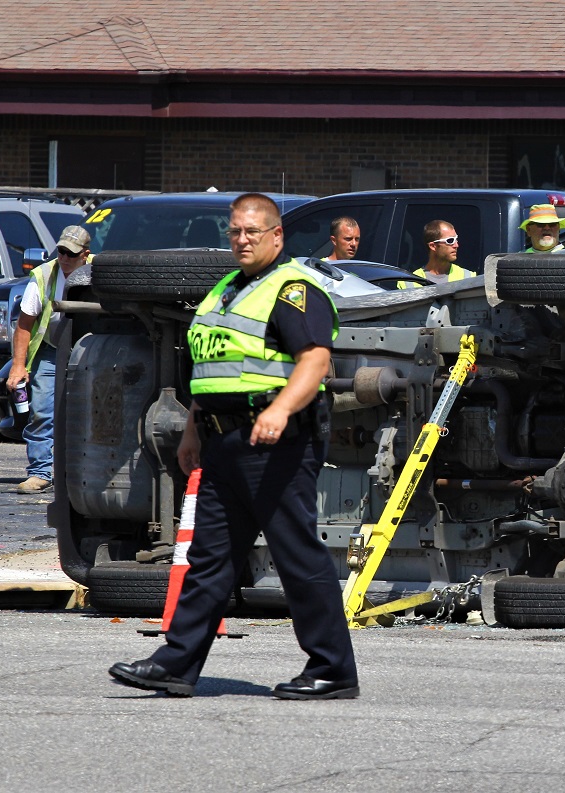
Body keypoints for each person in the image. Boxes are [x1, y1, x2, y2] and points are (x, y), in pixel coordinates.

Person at [110, 193, 358, 699]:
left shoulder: (292, 289)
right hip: (224, 442)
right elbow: (212, 370)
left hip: (278, 442)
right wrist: (196, 431)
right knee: (209, 559)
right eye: (235, 232)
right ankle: (176, 664)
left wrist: (280, 409)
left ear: (277, 236)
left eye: (253, 232)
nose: (242, 241)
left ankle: (333, 670)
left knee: (296, 557)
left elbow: (315, 362)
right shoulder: (225, 289)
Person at [7, 225, 91, 493]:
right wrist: (18, 366)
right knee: (42, 411)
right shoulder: (43, 276)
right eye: (61, 252)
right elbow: (24, 325)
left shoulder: (100, 273)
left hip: (89, 351)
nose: (64, 258)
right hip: (52, 350)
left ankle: (84, 471)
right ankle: (40, 472)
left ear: (85, 255)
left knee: (90, 412)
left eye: (71, 254)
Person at [399, 220, 474, 288]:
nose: (456, 245)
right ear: (433, 246)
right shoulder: (408, 284)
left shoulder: (469, 277)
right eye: (450, 241)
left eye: (456, 239)